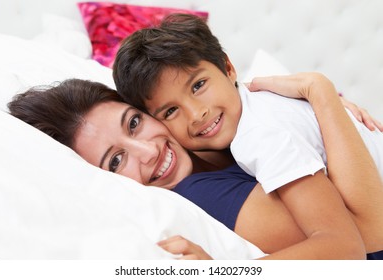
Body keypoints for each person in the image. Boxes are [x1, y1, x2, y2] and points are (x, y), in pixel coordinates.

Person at [8, 77, 381, 259]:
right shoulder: (199, 193)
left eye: (134, 123)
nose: (148, 152)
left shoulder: (223, 136)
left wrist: (322, 116)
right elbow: (363, 239)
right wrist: (322, 93)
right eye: (116, 160)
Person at [112, 14, 383, 257]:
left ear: (229, 69)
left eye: (198, 85)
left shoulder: (258, 136)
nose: (196, 114)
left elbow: (354, 245)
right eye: (171, 111)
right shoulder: (260, 101)